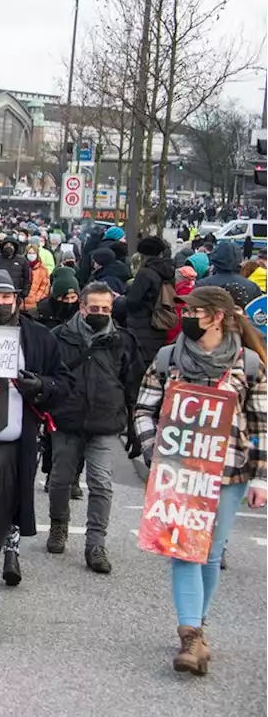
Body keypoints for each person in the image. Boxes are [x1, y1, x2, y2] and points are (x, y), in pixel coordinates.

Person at [134, 286, 268, 675]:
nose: (186, 317)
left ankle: (199, 628)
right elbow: (143, 408)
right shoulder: (167, 358)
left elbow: (262, 425)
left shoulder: (249, 364)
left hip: (230, 473)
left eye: (194, 311)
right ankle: (190, 634)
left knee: (210, 553)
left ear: (218, 316)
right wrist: (153, 451)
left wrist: (261, 479)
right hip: (178, 473)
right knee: (182, 549)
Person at [0, 269, 72, 639]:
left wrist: (41, 386)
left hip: (17, 445)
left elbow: (65, 383)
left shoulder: (38, 338)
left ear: (17, 298)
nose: (0, 303)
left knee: (2, 520)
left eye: (6, 296)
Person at [46, 282, 142, 575]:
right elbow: (47, 376)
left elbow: (132, 384)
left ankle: (95, 544)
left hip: (104, 421)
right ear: (82, 307)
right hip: (67, 419)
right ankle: (59, 524)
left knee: (101, 483)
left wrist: (134, 427)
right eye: (95, 308)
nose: (100, 313)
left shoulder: (123, 340)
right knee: (60, 480)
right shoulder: (59, 337)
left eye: (106, 309)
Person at [124, 236, 177, 367]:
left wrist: (118, 300)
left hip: (141, 327)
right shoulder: (168, 272)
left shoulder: (145, 273)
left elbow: (132, 302)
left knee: (138, 367)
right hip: (160, 324)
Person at [195, 239, 262, 311]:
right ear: (239, 260)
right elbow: (259, 316)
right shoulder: (252, 287)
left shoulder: (201, 285)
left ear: (214, 260)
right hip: (242, 321)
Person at [21, 244, 50, 312]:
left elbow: (45, 287)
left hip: (34, 305)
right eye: (29, 253)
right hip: (20, 304)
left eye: (33, 253)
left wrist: (36, 298)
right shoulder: (21, 266)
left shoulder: (43, 269)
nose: (31, 255)